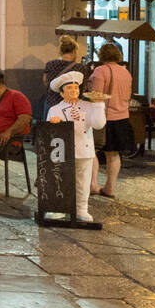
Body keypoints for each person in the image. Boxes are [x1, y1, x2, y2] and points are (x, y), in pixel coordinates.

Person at [46, 70, 108, 222]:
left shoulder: (88, 106)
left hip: (84, 149)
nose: (74, 90)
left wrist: (98, 105)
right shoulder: (55, 109)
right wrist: (53, 124)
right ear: (61, 93)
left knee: (83, 181)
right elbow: (48, 132)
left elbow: (99, 124)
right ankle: (59, 207)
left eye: (76, 88)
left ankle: (81, 209)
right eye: (69, 88)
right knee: (60, 179)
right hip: (62, 152)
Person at [87, 42, 133, 198]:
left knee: (91, 150)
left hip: (104, 118)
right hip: (122, 117)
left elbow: (96, 95)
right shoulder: (126, 73)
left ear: (102, 55)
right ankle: (109, 187)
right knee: (113, 154)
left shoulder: (101, 71)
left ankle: (93, 185)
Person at [42, 35, 91, 115]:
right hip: (70, 106)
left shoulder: (50, 64)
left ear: (61, 51)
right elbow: (83, 88)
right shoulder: (80, 68)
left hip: (51, 103)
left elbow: (45, 81)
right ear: (75, 51)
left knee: (50, 126)